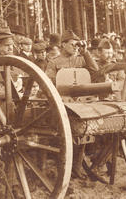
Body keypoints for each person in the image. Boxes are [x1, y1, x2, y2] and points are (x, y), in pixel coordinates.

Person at [46, 30, 99, 179]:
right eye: (72, 45)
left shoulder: (81, 59)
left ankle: (76, 166)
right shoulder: (54, 62)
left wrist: (86, 53)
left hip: (80, 104)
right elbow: (48, 82)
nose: (76, 47)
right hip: (62, 104)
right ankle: (64, 169)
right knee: (65, 138)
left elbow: (95, 71)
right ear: (63, 45)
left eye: (77, 45)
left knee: (84, 132)